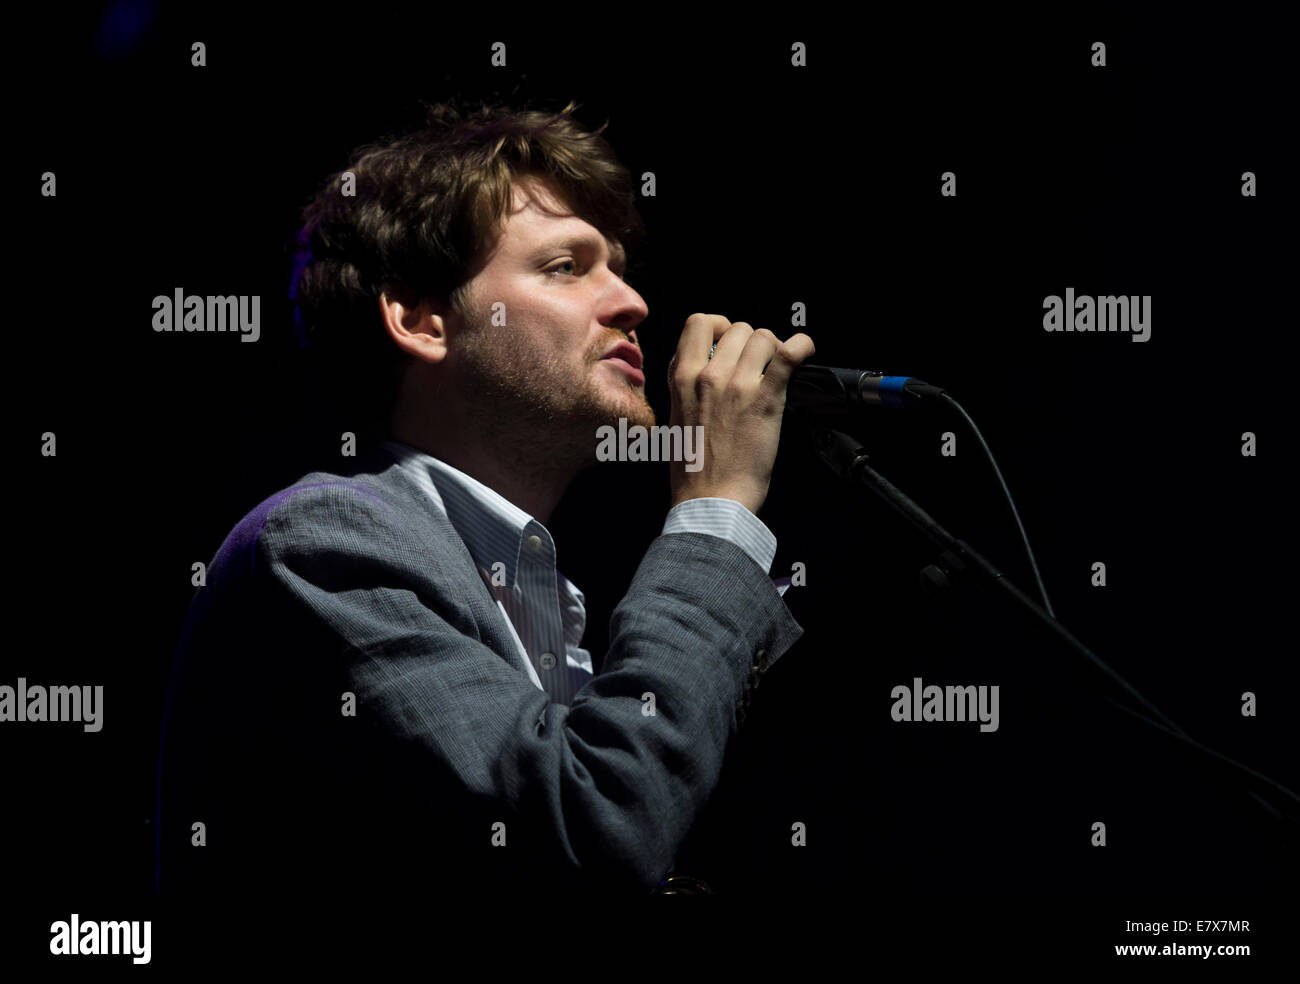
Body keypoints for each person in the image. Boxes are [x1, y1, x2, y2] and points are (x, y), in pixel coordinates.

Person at [155, 100, 815, 899]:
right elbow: (599, 820)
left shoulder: (538, 589)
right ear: (422, 319)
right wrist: (717, 514)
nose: (633, 303)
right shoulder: (323, 545)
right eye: (567, 267)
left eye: (619, 266)